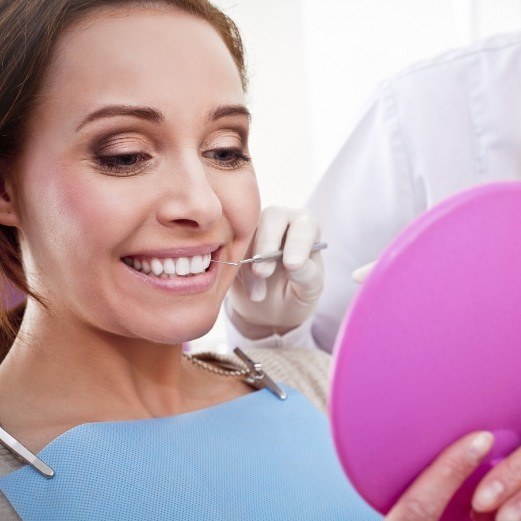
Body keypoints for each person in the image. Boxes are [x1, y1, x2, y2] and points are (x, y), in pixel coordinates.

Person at [0, 0, 511, 519]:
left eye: (224, 150)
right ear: (6, 187)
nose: (202, 204)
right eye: (126, 155)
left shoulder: (317, 387)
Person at [226, 30, 521, 518]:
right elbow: (321, 391)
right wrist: (270, 328)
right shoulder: (431, 109)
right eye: (125, 157)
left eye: (222, 151)